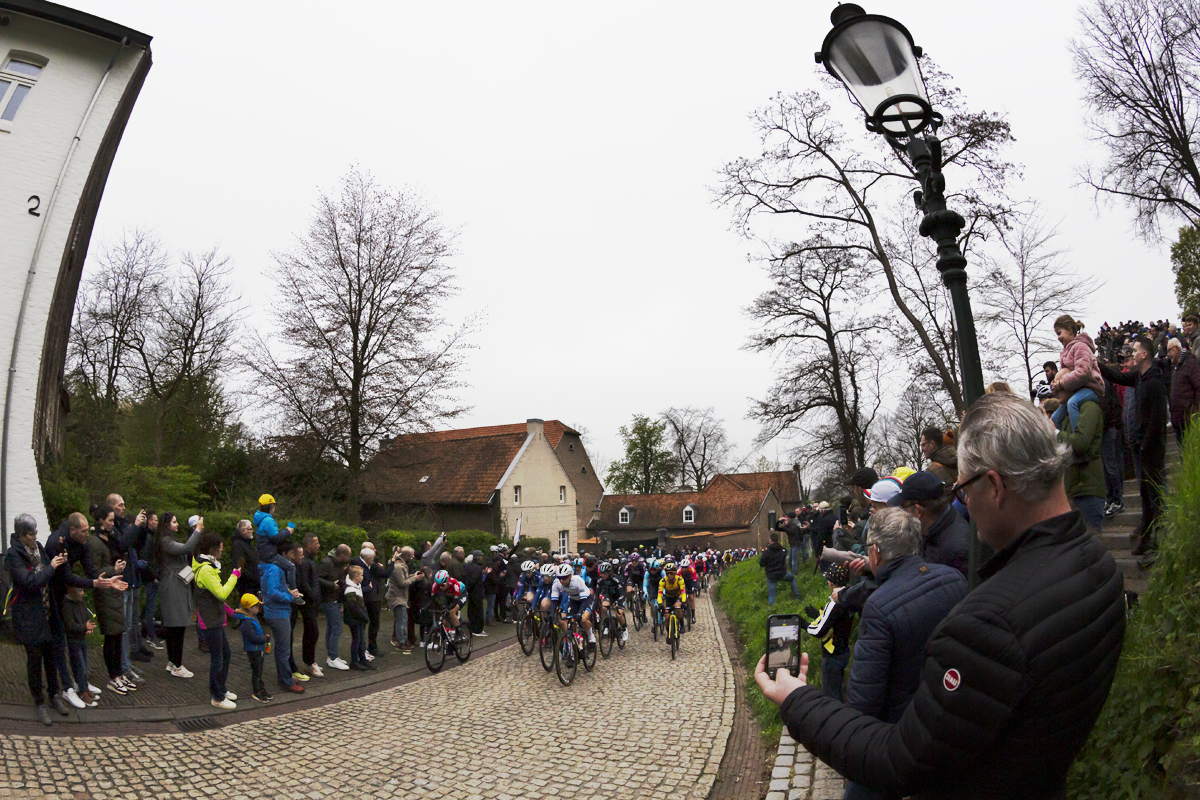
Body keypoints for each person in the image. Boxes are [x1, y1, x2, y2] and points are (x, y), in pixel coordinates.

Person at [754, 393, 1126, 799]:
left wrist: (797, 699)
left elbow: (899, 763)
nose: (961, 501)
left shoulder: (987, 623)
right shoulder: (1101, 566)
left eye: (963, 488)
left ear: (996, 486)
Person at [840, 508, 968, 800]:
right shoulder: (954, 580)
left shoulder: (879, 607)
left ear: (874, 552)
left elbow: (864, 697)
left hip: (896, 736)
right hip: (946, 719)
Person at [1101, 336, 1168, 556]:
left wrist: (1146, 447)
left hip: (1151, 450)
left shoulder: (1154, 382)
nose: (1132, 354)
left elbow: (1158, 422)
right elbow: (1117, 375)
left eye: (1135, 350)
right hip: (1141, 448)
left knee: (1154, 497)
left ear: (1144, 354)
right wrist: (1094, 363)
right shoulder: (1139, 378)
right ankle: (1147, 538)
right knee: (1145, 496)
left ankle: (1159, 541)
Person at [7, 514, 70, 725]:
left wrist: (59, 563)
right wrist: (51, 567)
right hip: (29, 616)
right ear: (21, 535)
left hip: (47, 612)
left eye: (36, 533)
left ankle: (54, 695)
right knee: (34, 661)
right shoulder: (13, 555)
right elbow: (30, 582)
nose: (35, 536)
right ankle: (39, 701)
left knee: (51, 657)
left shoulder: (39, 548)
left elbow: (46, 574)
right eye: (31, 534)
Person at [88, 505, 133, 694]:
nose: (113, 524)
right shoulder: (94, 543)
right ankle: (113, 677)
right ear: (100, 521)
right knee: (111, 635)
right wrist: (114, 569)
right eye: (110, 520)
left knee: (117, 634)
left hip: (115, 590)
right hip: (105, 592)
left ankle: (119, 674)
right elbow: (94, 571)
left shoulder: (110, 539)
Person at [192, 530, 240, 710]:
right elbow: (221, 593)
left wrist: (230, 612)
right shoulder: (205, 569)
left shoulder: (209, 567)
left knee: (225, 655)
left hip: (215, 619)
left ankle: (221, 688)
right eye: (220, 547)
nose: (222, 549)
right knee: (218, 658)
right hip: (209, 620)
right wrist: (234, 575)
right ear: (213, 548)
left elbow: (214, 596)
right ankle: (217, 696)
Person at [888, 471, 970, 577]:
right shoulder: (930, 529)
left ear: (918, 511)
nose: (902, 513)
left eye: (904, 507)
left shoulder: (956, 551)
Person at [1053, 371, 1106, 533]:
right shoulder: (1066, 414)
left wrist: (1054, 433)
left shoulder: (1089, 407)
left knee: (1092, 547)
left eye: (1059, 383)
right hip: (1073, 489)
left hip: (1087, 489)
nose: (1055, 389)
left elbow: (1082, 443)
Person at [155, 512, 201, 679]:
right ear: (166, 524)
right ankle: (177, 664)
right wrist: (197, 532)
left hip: (176, 584)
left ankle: (173, 661)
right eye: (174, 522)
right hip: (173, 585)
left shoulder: (168, 540)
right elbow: (186, 548)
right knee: (176, 625)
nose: (177, 524)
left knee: (176, 626)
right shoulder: (165, 542)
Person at [261, 541, 305, 693]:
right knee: (283, 649)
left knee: (281, 647)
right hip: (277, 613)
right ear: (284, 554)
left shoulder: (273, 567)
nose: (293, 558)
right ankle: (286, 681)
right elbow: (273, 592)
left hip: (278, 611)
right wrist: (290, 596)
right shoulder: (275, 568)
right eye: (292, 554)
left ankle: (285, 676)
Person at [1051, 314, 1105, 432]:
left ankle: (1077, 436)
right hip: (1076, 389)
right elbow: (1063, 373)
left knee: (1072, 403)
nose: (1058, 338)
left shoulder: (1081, 346)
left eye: (1059, 333)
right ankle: (1063, 444)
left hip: (1091, 387)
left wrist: (1061, 383)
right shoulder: (1064, 352)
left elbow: (1083, 372)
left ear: (1070, 330)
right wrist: (1056, 386)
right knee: (1055, 418)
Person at [61, 585, 98, 708]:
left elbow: (85, 617)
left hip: (82, 638)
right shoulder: (67, 605)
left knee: (85, 665)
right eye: (80, 590)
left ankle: (84, 687)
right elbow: (70, 625)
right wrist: (84, 627)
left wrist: (87, 626)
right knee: (79, 665)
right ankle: (82, 692)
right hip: (74, 640)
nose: (82, 593)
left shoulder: (80, 602)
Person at [317, 544, 351, 670]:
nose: (349, 558)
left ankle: (332, 656)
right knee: (336, 628)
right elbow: (317, 579)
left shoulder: (337, 563)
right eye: (348, 556)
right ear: (342, 555)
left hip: (334, 599)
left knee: (331, 627)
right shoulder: (326, 563)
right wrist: (331, 585)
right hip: (328, 600)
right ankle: (332, 657)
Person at [233, 594, 270, 703]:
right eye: (256, 606)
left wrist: (263, 635)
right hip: (254, 650)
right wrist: (264, 639)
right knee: (257, 670)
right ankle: (257, 691)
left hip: (258, 649)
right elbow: (253, 638)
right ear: (250, 608)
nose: (259, 608)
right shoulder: (247, 622)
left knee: (259, 670)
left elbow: (258, 630)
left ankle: (260, 687)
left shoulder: (253, 617)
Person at [385, 546, 422, 651]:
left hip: (401, 597)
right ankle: (400, 642)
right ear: (406, 556)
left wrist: (413, 575)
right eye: (411, 556)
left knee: (403, 620)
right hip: (397, 597)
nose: (413, 557)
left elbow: (404, 579)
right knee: (401, 621)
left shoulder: (402, 565)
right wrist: (415, 578)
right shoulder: (398, 567)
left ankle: (403, 640)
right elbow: (402, 583)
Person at [297, 532, 323, 677]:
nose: (318, 545)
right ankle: (308, 662)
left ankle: (309, 661)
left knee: (311, 632)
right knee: (312, 632)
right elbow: (304, 583)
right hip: (308, 603)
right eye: (316, 543)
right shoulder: (305, 562)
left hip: (313, 602)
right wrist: (313, 597)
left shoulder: (311, 560)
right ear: (308, 545)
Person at [1166, 337, 1200, 446]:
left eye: (1169, 350)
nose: (1168, 354)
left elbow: (1199, 386)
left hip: (1189, 421)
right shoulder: (1176, 367)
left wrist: (1194, 412)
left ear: (1176, 349)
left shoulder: (1190, 363)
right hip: (1178, 421)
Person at [343, 564, 373, 671]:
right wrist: (364, 617)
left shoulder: (357, 586)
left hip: (359, 618)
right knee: (356, 639)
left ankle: (362, 659)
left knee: (361, 639)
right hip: (354, 619)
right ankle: (354, 661)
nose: (363, 577)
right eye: (361, 575)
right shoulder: (350, 590)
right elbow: (354, 607)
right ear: (356, 576)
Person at [758, 532, 800, 606]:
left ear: (770, 540)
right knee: (792, 578)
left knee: (772, 595)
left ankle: (772, 609)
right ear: (777, 540)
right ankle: (797, 596)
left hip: (771, 576)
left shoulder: (766, 552)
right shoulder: (783, 550)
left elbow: (762, 564)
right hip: (782, 573)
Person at [253, 494, 291, 562]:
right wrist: (288, 532)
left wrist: (285, 530)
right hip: (269, 555)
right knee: (291, 567)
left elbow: (272, 533)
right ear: (271, 506)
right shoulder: (268, 520)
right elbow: (276, 538)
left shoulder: (261, 519)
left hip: (263, 554)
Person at [230, 519, 259, 602]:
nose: (252, 531)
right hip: (247, 587)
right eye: (250, 529)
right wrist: (254, 578)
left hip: (254, 587)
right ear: (243, 531)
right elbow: (239, 567)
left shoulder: (248, 544)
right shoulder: (238, 545)